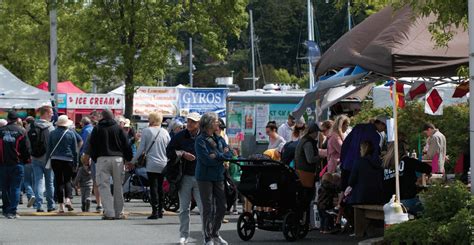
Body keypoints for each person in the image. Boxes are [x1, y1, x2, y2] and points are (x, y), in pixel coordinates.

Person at [195, 112, 233, 245]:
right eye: (216, 121)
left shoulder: (219, 138)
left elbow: (231, 153)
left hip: (218, 176)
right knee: (208, 207)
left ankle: (215, 233)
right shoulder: (200, 140)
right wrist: (222, 156)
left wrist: (217, 156)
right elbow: (205, 160)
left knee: (223, 206)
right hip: (204, 177)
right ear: (210, 124)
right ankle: (208, 237)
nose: (218, 123)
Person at [166, 112, 204, 245]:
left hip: (201, 177)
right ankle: (184, 236)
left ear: (199, 123)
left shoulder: (204, 136)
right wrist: (182, 153)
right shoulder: (180, 136)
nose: (189, 124)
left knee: (203, 208)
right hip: (184, 176)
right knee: (184, 208)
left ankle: (207, 236)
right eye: (188, 121)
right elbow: (169, 151)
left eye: (193, 122)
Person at [89, 110, 133, 220]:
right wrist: (128, 159)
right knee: (118, 186)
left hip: (102, 159)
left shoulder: (97, 128)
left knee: (104, 186)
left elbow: (92, 145)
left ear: (102, 117)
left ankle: (109, 212)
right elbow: (126, 144)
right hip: (118, 159)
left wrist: (95, 158)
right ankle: (119, 212)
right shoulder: (118, 128)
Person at [131, 112, 170, 219]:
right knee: (161, 187)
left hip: (152, 163)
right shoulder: (165, 132)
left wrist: (133, 161)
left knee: (153, 187)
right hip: (164, 162)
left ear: (152, 120)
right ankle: (161, 210)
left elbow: (141, 148)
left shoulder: (147, 131)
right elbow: (169, 147)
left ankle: (155, 211)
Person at [382, 141, 431, 215]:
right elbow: (428, 168)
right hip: (406, 199)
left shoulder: (384, 164)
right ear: (404, 151)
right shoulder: (408, 161)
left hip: (387, 202)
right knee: (429, 213)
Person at [340, 116, 387, 191]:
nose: (384, 130)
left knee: (343, 192)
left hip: (347, 164)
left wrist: (343, 162)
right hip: (360, 170)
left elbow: (345, 145)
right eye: (385, 128)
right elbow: (374, 157)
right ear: (381, 124)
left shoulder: (357, 127)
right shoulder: (375, 136)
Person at [0, 111, 31, 219]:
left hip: (3, 164)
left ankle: (6, 208)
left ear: (8, 119)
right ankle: (12, 211)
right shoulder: (21, 131)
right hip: (17, 163)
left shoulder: (1, 131)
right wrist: (27, 160)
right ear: (17, 119)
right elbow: (26, 148)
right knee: (15, 187)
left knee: (5, 187)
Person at [47, 115, 78, 213]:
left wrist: (48, 159)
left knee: (59, 181)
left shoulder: (52, 133)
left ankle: (61, 206)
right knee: (67, 181)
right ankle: (68, 199)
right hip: (68, 159)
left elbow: (49, 148)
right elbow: (75, 150)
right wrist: (76, 162)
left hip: (55, 159)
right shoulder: (71, 133)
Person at [29, 105, 56, 212]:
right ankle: (51, 205)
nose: (52, 115)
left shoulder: (32, 126)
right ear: (45, 113)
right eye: (51, 113)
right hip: (48, 158)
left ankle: (39, 205)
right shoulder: (51, 128)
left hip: (35, 158)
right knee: (49, 183)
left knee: (38, 181)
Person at [294, 122, 321, 225]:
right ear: (313, 132)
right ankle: (305, 221)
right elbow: (310, 159)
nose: (317, 134)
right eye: (317, 132)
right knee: (306, 198)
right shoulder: (308, 143)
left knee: (303, 198)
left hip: (301, 173)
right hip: (306, 175)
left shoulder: (303, 141)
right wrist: (320, 156)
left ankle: (304, 220)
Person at [346, 140, 384, 205]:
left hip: (361, 198)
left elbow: (351, 182)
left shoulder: (359, 162)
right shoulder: (380, 164)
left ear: (364, 149)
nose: (360, 151)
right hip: (377, 197)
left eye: (360, 149)